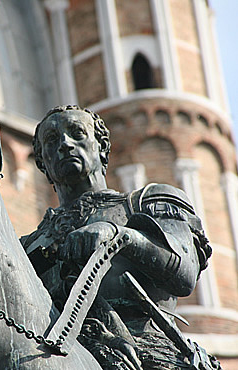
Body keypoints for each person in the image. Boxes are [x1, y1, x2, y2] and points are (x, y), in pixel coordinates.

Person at [21, 105, 219, 369]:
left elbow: (184, 274)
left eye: (77, 133)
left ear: (101, 146)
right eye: (52, 140)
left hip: (148, 357)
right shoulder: (27, 247)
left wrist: (120, 236)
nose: (65, 144)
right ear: (41, 162)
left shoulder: (145, 202)